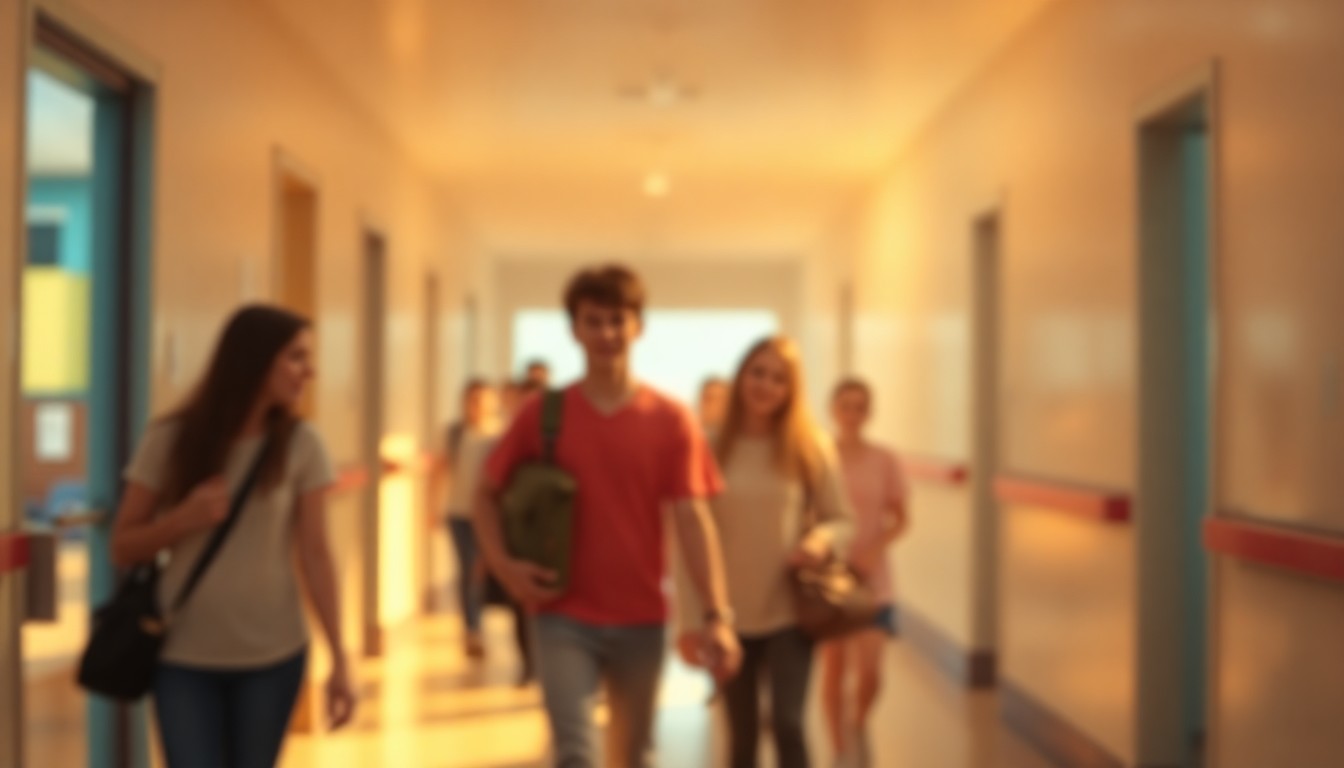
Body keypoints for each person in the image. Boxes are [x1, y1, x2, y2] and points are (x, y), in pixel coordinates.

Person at [474, 264, 742, 768]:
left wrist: (715, 616)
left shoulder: (670, 419)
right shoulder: (543, 414)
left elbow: (692, 520)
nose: (606, 334)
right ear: (574, 329)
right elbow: (484, 494)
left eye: (617, 321)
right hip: (560, 611)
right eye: (593, 321)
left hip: (642, 615)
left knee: (634, 753)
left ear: (638, 326)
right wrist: (504, 567)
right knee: (576, 751)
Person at [110, 305, 356, 768]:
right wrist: (182, 519)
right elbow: (122, 544)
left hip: (274, 656)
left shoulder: (303, 445)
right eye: (296, 357)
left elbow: (317, 555)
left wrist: (340, 658)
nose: (311, 371)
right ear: (255, 361)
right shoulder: (171, 439)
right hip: (183, 656)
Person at [677, 337, 853, 768]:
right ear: (741, 377)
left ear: (791, 390)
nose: (766, 385)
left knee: (789, 724)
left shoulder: (810, 445)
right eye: (758, 372)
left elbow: (842, 518)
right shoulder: (709, 446)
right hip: (726, 614)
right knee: (742, 736)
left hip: (790, 612)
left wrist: (819, 541)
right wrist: (690, 620)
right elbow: (686, 539)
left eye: (779, 378)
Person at [820, 378, 909, 768]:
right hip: (830, 578)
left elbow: (901, 518)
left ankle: (858, 721)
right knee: (834, 666)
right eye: (846, 406)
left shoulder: (885, 459)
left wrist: (875, 548)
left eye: (860, 407)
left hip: (874, 579)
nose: (852, 415)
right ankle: (840, 750)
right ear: (834, 410)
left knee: (871, 670)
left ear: (869, 412)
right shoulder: (821, 456)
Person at [443, 378, 500, 659]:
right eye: (471, 399)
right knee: (466, 570)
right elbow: (442, 468)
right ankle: (472, 629)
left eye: (482, 399)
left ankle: (477, 624)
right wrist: (430, 509)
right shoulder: (455, 432)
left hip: (485, 517)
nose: (476, 405)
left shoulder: (498, 435)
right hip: (457, 513)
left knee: (479, 571)